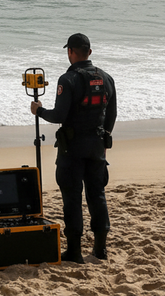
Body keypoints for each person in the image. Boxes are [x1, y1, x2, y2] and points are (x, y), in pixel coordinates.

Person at [30, 33, 116, 263]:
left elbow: (59, 115)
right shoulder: (106, 78)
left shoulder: (68, 79)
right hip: (97, 147)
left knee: (72, 198)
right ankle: (100, 249)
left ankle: (75, 251)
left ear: (70, 52)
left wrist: (39, 111)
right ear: (90, 52)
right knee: (97, 195)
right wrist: (104, 141)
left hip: (72, 149)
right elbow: (111, 115)